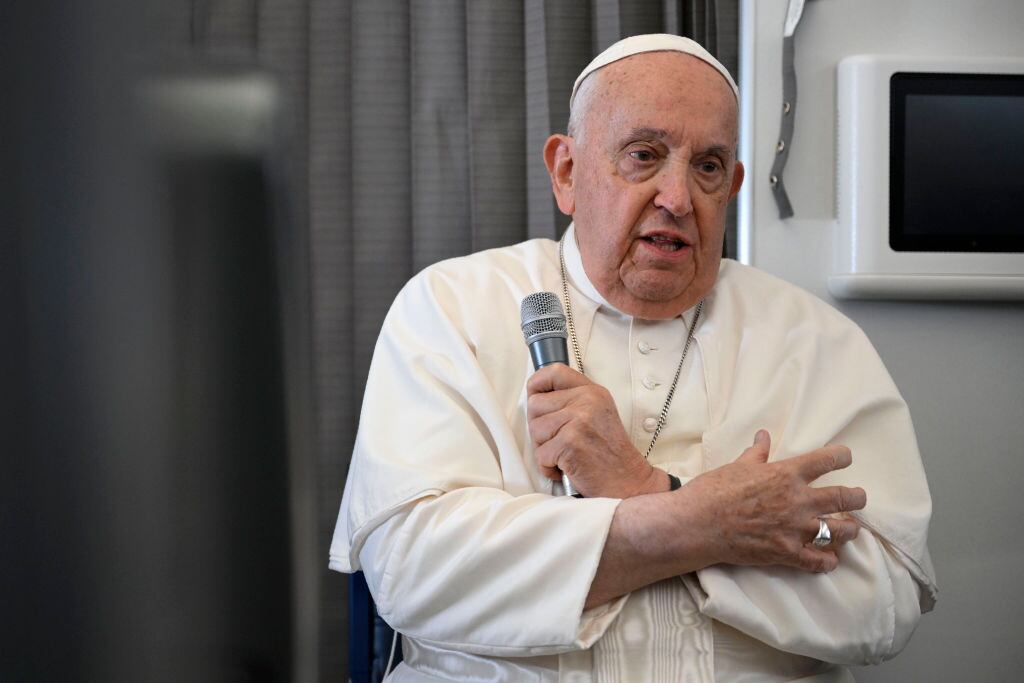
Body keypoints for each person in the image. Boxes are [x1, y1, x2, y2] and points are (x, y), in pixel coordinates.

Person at [330, 34, 936, 682]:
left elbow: (888, 596)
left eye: (707, 167)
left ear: (730, 186)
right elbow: (414, 568)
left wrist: (641, 489)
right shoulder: (451, 307)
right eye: (644, 155)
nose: (677, 197)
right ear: (567, 171)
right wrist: (701, 521)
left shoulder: (817, 341)